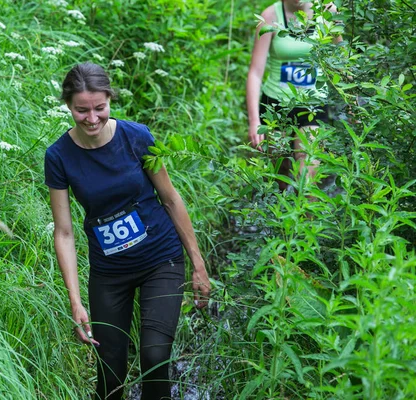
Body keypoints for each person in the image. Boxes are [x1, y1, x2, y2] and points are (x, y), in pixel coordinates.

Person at [44, 62, 211, 400]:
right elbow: (63, 232)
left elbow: (170, 198)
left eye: (99, 108)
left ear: (109, 100)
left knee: (154, 357)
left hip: (160, 259)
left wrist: (197, 263)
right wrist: (75, 302)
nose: (92, 118)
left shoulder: (137, 138)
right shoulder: (59, 157)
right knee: (110, 369)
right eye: (81, 110)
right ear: (68, 106)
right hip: (109, 272)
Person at [246, 0, 341, 190]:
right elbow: (255, 73)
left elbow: (341, 61)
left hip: (313, 106)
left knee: (307, 176)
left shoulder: (328, 11)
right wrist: (254, 121)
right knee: (279, 178)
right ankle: (281, 213)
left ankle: (306, 218)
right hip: (275, 107)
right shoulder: (269, 16)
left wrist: (353, 103)